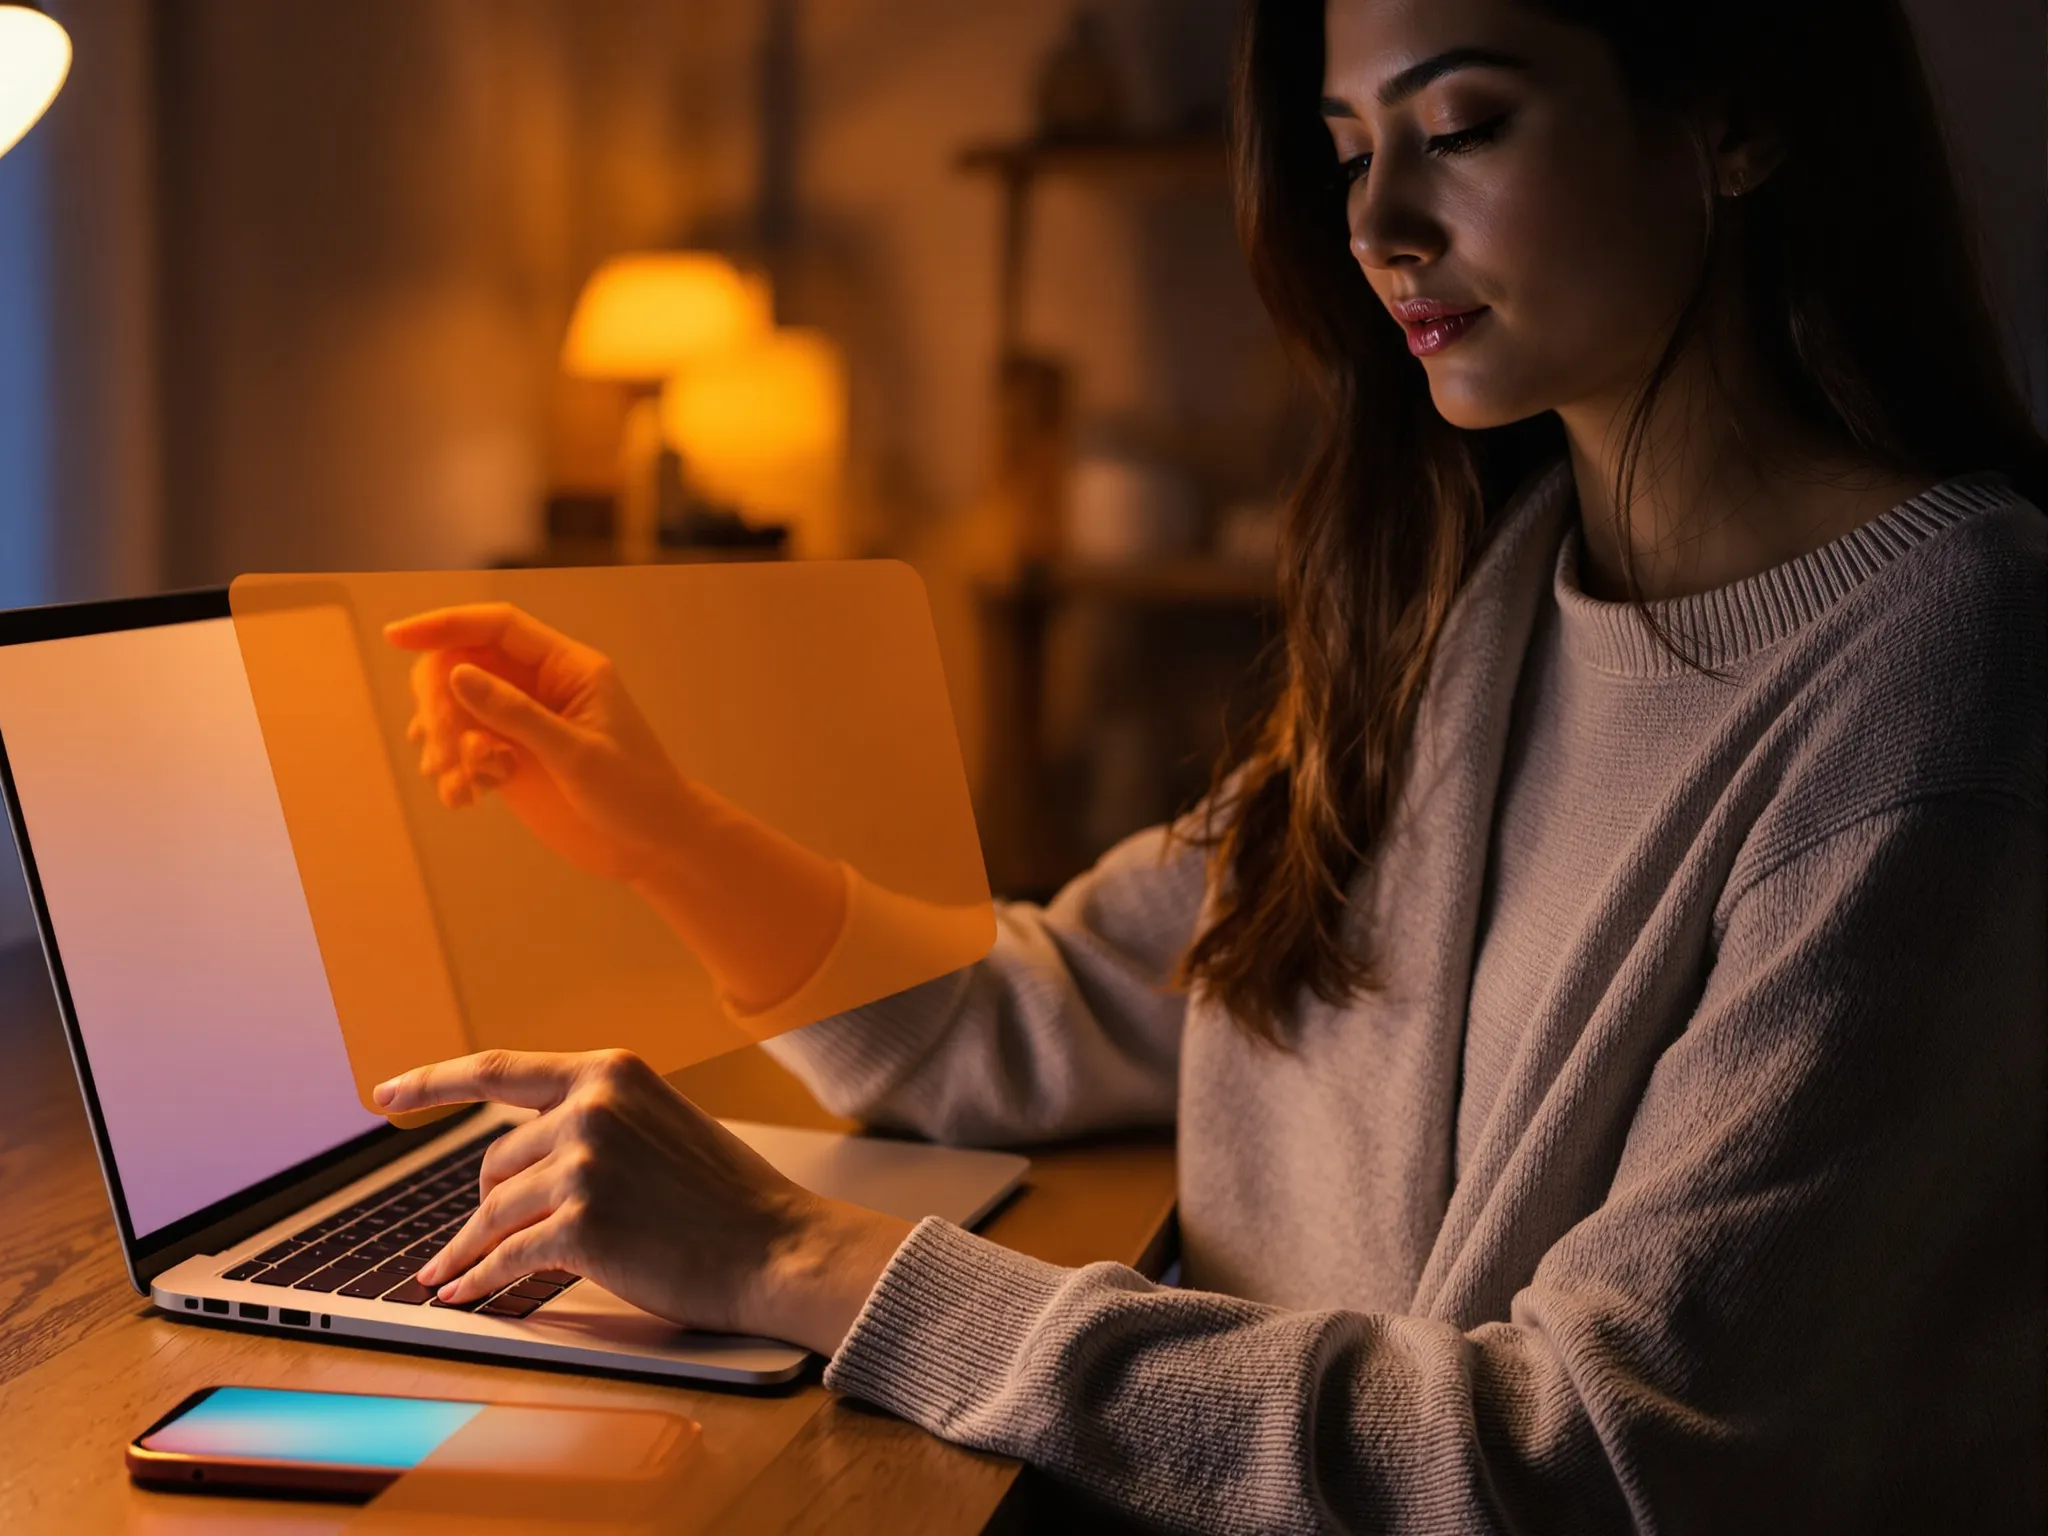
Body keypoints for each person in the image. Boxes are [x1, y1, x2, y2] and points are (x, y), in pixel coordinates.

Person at [372, 0, 2047, 1525]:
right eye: (1344, 152)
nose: (1378, 227)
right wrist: (659, 831)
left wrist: (795, 1254)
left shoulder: (1945, 679)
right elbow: (1013, 1018)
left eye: (1458, 128)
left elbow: (1594, 1459)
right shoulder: (1470, 597)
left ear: (1739, 122)